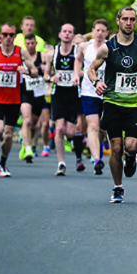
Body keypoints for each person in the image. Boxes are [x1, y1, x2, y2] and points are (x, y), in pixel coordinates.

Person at [88, 6, 137, 203]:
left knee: (131, 146)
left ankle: (131, 158)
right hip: (112, 102)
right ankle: (118, 187)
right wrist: (97, 83)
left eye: (132, 19)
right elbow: (92, 69)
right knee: (116, 147)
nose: (129, 23)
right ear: (118, 21)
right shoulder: (107, 48)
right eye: (125, 19)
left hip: (135, 104)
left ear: (136, 22)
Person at [0, 23, 39, 176]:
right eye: (5, 34)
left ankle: (3, 164)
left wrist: (27, 71)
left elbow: (35, 72)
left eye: (11, 35)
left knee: (8, 134)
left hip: (14, 99)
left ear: (14, 36)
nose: (7, 38)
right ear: (0, 35)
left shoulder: (21, 52)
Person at [46, 23, 84, 175]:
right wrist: (51, 78)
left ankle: (78, 153)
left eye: (70, 32)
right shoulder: (51, 53)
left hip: (74, 94)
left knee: (70, 132)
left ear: (73, 36)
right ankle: (61, 163)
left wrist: (77, 75)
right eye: (64, 32)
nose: (67, 34)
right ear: (60, 35)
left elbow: (85, 70)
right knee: (59, 128)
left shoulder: (78, 52)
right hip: (58, 94)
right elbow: (46, 75)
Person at [75, 19, 109, 174]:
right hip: (89, 92)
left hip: (107, 94)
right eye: (98, 30)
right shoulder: (84, 46)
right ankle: (97, 159)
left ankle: (97, 150)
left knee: (103, 129)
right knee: (93, 126)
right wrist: (77, 74)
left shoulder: (111, 47)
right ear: (93, 31)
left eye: (103, 30)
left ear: (107, 32)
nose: (100, 33)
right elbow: (78, 60)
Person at [19, 34, 48, 163]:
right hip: (25, 92)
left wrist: (45, 70)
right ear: (25, 44)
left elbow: (50, 72)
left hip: (39, 93)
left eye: (32, 43)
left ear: (36, 44)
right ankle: (28, 148)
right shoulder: (21, 57)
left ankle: (26, 145)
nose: (30, 46)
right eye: (28, 44)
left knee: (34, 124)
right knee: (27, 120)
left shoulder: (43, 57)